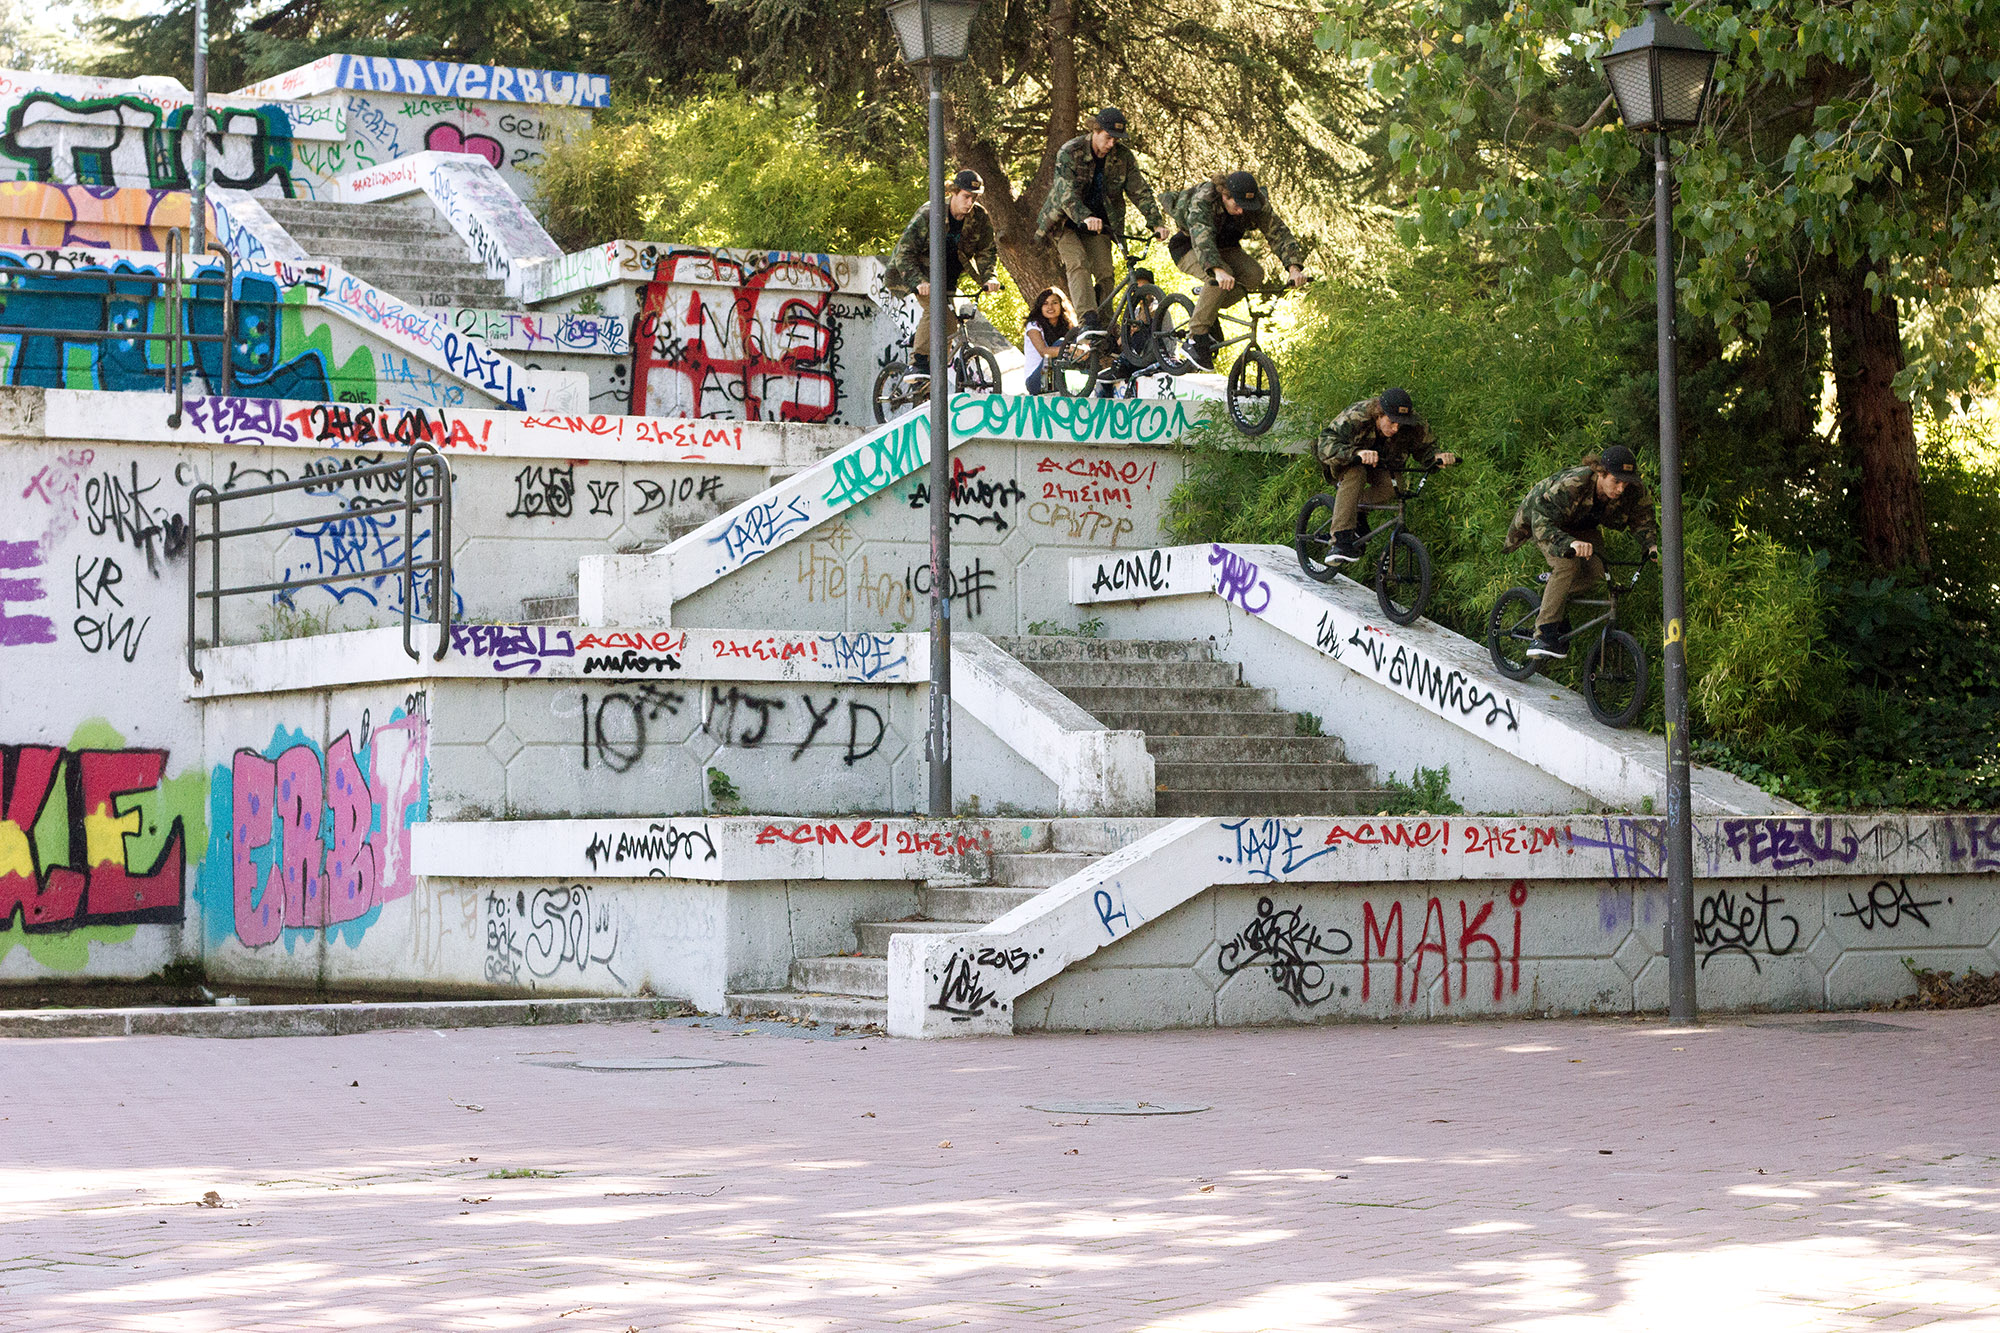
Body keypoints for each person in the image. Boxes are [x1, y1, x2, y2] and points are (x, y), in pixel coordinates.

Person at [1504, 445, 1661, 659]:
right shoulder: (1572, 485)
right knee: (1567, 565)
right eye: (1616, 481)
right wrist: (1570, 544)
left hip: (1583, 526)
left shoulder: (1633, 489)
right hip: (1547, 522)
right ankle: (1542, 634)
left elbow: (1643, 517)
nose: (1621, 488)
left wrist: (1651, 546)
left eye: (1626, 482)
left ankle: (1555, 589)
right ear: (1601, 473)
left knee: (1597, 574)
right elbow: (1541, 522)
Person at [1032, 107, 1170, 325]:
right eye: (1108, 138)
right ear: (1095, 130)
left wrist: (1156, 223)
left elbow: (1140, 191)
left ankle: (1106, 326)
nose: (1111, 144)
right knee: (1078, 262)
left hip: (1100, 224)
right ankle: (1088, 319)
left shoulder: (1123, 156)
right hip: (1065, 221)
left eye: (1116, 139)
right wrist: (1084, 216)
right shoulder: (1070, 151)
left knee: (1106, 272)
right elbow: (1064, 193)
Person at [1163, 170, 1307, 369]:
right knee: (1220, 276)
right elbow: (1202, 237)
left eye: (1246, 207)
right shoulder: (1203, 199)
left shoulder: (1256, 202)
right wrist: (1216, 270)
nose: (1241, 211)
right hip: (1189, 246)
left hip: (1227, 247)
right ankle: (1194, 339)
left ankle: (1208, 300)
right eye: (1237, 205)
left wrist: (1294, 268)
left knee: (1255, 274)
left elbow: (1278, 233)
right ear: (1224, 195)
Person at [1313, 388, 1457, 562]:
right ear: (1379, 415)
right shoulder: (1357, 415)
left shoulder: (1413, 424)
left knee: (1395, 486)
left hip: (1383, 465)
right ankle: (1340, 540)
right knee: (1357, 473)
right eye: (1392, 422)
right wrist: (1357, 453)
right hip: (1347, 462)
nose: (1396, 428)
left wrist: (1437, 457)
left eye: (1401, 423)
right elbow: (1325, 444)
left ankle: (1355, 509)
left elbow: (1426, 449)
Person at [886, 168, 1002, 378]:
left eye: (974, 198)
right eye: (966, 196)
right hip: (917, 274)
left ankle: (932, 374)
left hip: (948, 277)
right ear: (953, 192)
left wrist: (990, 277)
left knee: (950, 325)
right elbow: (904, 253)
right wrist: (919, 281)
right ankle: (918, 361)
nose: (970, 203)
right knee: (937, 311)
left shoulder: (979, 217)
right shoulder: (930, 213)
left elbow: (986, 251)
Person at [1022, 287, 1077, 394]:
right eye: (1045, 303)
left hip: (1058, 379)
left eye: (1054, 303)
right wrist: (1070, 349)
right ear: (1040, 307)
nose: (1050, 307)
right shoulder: (1034, 326)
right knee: (1062, 343)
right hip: (1036, 381)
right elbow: (1044, 352)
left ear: (1061, 305)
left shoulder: (1068, 326)